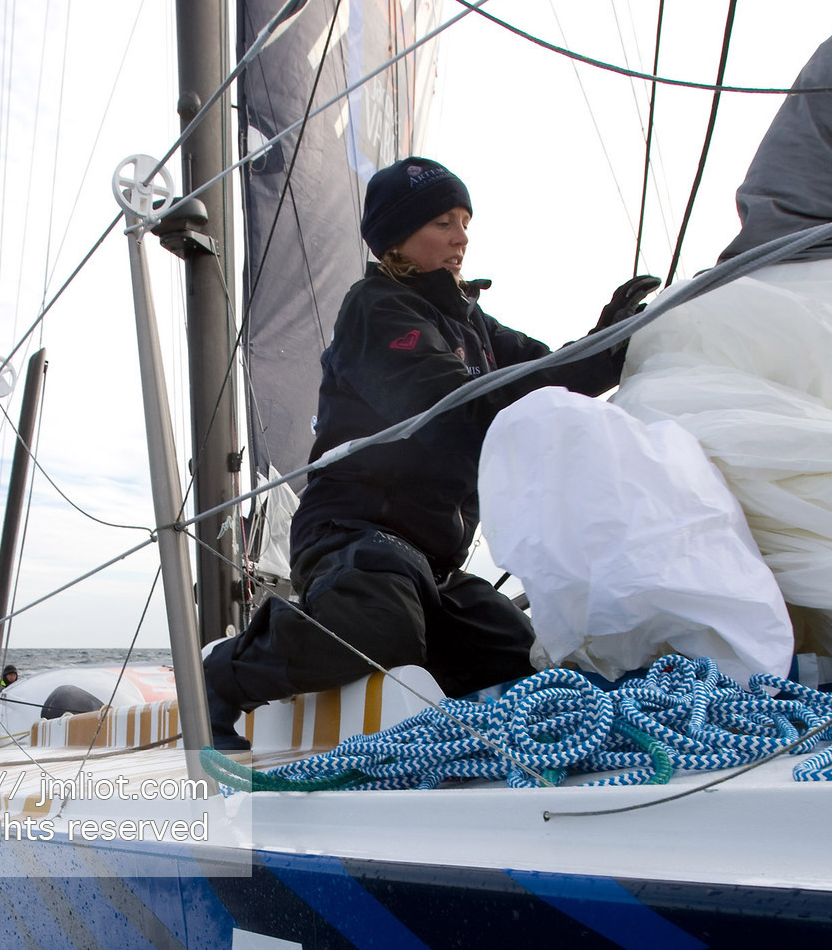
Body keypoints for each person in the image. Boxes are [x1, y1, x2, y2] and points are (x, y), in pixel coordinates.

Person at [203, 155, 658, 745]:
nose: (461, 237)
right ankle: (222, 674)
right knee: (379, 629)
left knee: (527, 667)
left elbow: (546, 369)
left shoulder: (472, 322)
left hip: (435, 570)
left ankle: (444, 713)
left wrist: (613, 340)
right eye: (443, 222)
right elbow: (452, 405)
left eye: (464, 221)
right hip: (353, 536)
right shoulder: (375, 310)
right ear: (398, 233)